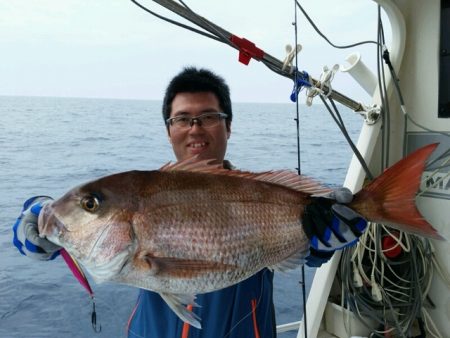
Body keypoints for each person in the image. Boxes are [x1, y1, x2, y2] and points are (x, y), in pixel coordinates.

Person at [13, 67, 366, 338]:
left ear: (228, 127)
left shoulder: (263, 193)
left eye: (209, 117)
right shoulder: (137, 189)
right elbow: (65, 218)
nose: (195, 128)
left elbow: (307, 248)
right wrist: (36, 218)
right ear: (169, 130)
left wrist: (325, 238)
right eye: (182, 118)